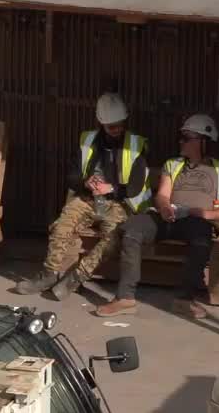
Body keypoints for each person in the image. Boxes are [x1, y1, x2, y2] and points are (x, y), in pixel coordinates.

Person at [11, 93, 151, 301]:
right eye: (112, 126)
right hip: (87, 199)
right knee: (61, 225)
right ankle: (49, 275)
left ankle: (75, 278)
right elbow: (72, 175)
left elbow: (135, 187)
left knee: (112, 240)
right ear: (101, 123)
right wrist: (85, 183)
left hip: (119, 203)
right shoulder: (87, 141)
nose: (117, 130)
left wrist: (110, 188)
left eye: (120, 125)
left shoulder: (136, 144)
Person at [97, 114, 219, 320]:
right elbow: (162, 194)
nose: (181, 142)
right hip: (169, 215)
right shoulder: (172, 164)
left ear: (203, 141)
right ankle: (125, 297)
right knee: (132, 229)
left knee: (201, 240)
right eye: (181, 137)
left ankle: (184, 300)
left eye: (187, 138)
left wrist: (203, 213)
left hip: (198, 220)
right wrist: (163, 208)